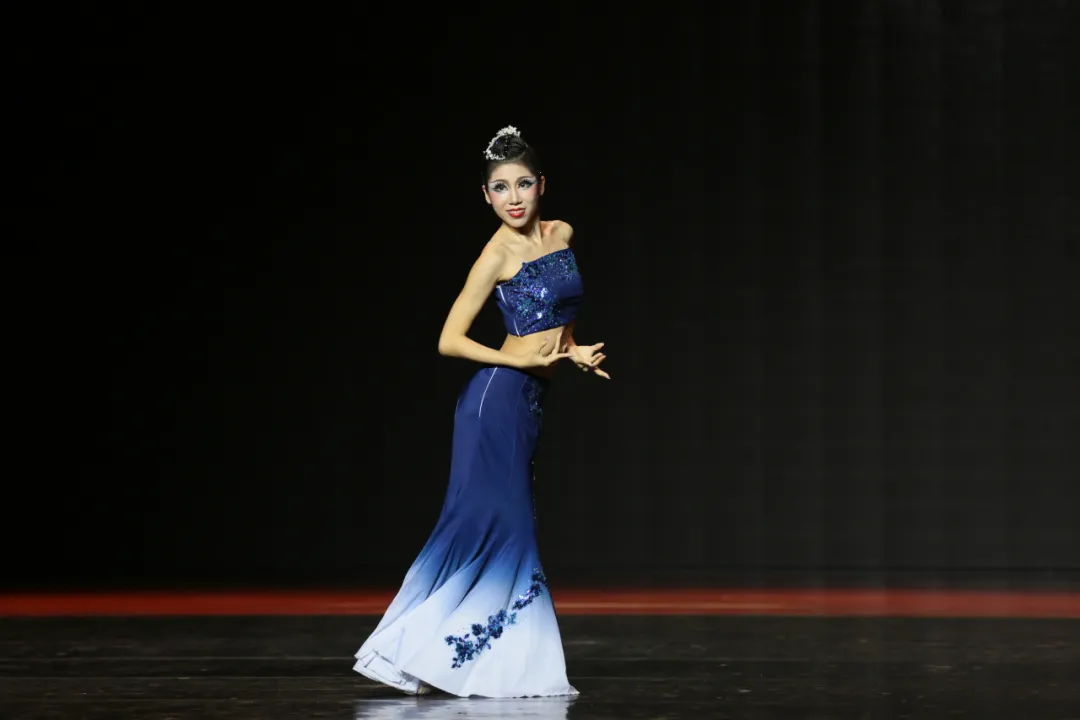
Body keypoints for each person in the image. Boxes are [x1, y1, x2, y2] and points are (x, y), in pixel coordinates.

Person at [352, 126, 608, 698]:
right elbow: (449, 340)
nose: (513, 197)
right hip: (494, 401)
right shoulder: (496, 255)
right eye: (500, 188)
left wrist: (572, 351)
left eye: (522, 184)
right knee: (500, 527)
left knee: (495, 527)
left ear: (542, 185)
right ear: (486, 195)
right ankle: (465, 659)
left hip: (529, 401)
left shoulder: (561, 234)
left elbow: (557, 318)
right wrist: (515, 358)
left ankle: (432, 655)